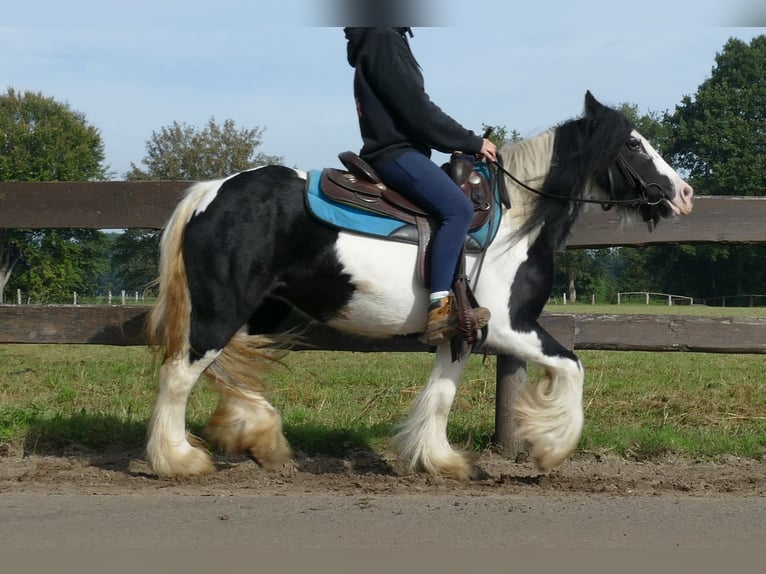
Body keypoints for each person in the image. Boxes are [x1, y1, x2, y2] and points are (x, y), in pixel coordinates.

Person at [344, 26, 497, 345]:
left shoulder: (379, 39)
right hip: (397, 154)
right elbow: (417, 111)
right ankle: (439, 311)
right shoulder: (383, 38)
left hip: (399, 151)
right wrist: (470, 141)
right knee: (458, 208)